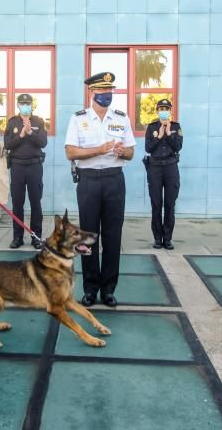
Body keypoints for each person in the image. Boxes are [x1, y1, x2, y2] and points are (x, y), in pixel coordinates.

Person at [64, 72, 135, 308]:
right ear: (92, 92)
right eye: (102, 91)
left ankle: (109, 290)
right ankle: (90, 289)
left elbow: (131, 153)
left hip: (114, 180)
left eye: (110, 91)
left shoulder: (121, 118)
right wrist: (99, 149)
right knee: (88, 236)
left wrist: (121, 152)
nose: (107, 95)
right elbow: (71, 152)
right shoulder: (78, 119)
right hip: (89, 181)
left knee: (113, 237)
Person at [4, 93, 47, 249]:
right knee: (17, 203)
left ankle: (36, 237)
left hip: (34, 166)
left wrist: (30, 133)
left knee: (36, 203)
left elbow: (43, 142)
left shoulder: (39, 122)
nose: (25, 106)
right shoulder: (12, 122)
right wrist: (21, 135)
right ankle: (17, 238)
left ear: (31, 105)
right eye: (22, 103)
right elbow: (7, 145)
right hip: (17, 167)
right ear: (18, 105)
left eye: (28, 103)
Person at [144, 98, 182, 250]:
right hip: (155, 168)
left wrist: (168, 133)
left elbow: (178, 146)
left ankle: (168, 238)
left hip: (171, 168)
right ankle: (157, 238)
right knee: (156, 204)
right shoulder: (151, 127)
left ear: (170, 111)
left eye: (166, 109)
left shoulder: (176, 126)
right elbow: (148, 148)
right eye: (161, 109)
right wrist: (159, 135)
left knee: (170, 204)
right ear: (157, 110)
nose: (164, 111)